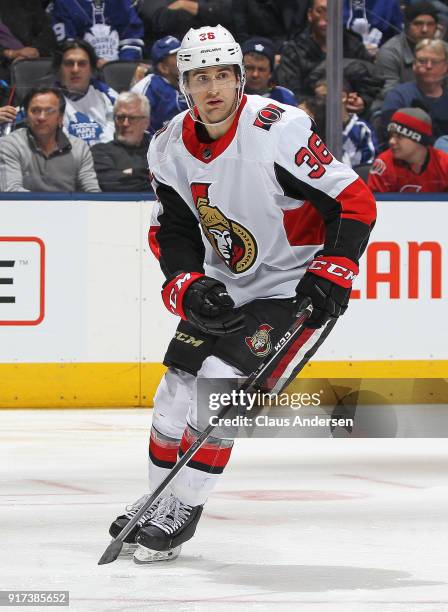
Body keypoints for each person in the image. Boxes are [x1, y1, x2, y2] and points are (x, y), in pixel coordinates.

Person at [108, 25, 376, 563]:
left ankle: (183, 507)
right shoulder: (167, 146)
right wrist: (186, 282)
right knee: (174, 392)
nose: (214, 88)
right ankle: (160, 497)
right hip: (227, 288)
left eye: (223, 76)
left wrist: (334, 271)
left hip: (290, 290)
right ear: (184, 83)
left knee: (215, 391)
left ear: (240, 79)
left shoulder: (279, 129)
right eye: (200, 77)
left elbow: (355, 201)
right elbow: (174, 229)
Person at [0, 86, 100, 192]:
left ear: (61, 118)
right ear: (26, 117)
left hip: (69, 208)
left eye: (49, 111)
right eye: (35, 111)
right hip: (23, 208)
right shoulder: (9, 145)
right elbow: (12, 192)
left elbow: (92, 192)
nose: (42, 117)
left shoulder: (79, 148)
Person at [276, 0, 373, 101]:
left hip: (348, 110)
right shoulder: (294, 50)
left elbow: (372, 81)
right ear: (310, 14)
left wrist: (363, 100)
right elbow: (289, 92)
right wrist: (316, 104)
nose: (326, 17)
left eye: (332, 11)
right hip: (308, 111)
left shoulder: (354, 44)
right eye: (320, 11)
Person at [380, 38, 448, 142]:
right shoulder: (398, 96)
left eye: (435, 62)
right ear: (414, 65)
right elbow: (390, 136)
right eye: (422, 61)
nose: (429, 66)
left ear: (446, 67)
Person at [368, 106, 448, 192]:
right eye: (391, 135)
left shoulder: (444, 164)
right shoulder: (383, 164)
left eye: (399, 137)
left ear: (419, 139)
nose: (391, 141)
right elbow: (374, 202)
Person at [54, 39, 117, 146]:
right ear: (59, 69)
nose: (75, 70)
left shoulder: (107, 95)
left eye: (82, 64)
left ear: (91, 69)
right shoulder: (45, 98)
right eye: (69, 64)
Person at [49, 0, 144, 66]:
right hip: (82, 68)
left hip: (118, 69)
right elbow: (68, 45)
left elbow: (131, 39)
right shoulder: (63, 3)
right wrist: (93, 61)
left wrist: (123, 65)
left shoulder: (121, 2)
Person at [91, 91, 152, 191]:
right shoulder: (99, 152)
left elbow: (166, 185)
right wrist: (146, 175)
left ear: (146, 123)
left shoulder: (158, 154)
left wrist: (132, 172)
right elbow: (108, 184)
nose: (125, 123)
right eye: (120, 117)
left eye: (132, 118)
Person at [375, 2, 439, 96]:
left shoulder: (443, 50)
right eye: (418, 24)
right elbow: (390, 93)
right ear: (406, 25)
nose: (425, 30)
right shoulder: (390, 52)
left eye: (430, 24)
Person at [131, 35, 187, 134]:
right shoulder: (148, 88)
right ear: (163, 68)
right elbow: (136, 128)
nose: (184, 58)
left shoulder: (192, 82)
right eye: (177, 56)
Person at [0, 0, 57, 84]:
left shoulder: (26, 3)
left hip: (36, 63)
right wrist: (10, 54)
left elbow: (48, 36)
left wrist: (35, 51)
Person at [242, 37, 297, 106]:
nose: (255, 74)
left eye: (261, 69)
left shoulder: (285, 97)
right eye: (249, 68)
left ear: (271, 72)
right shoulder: (230, 96)